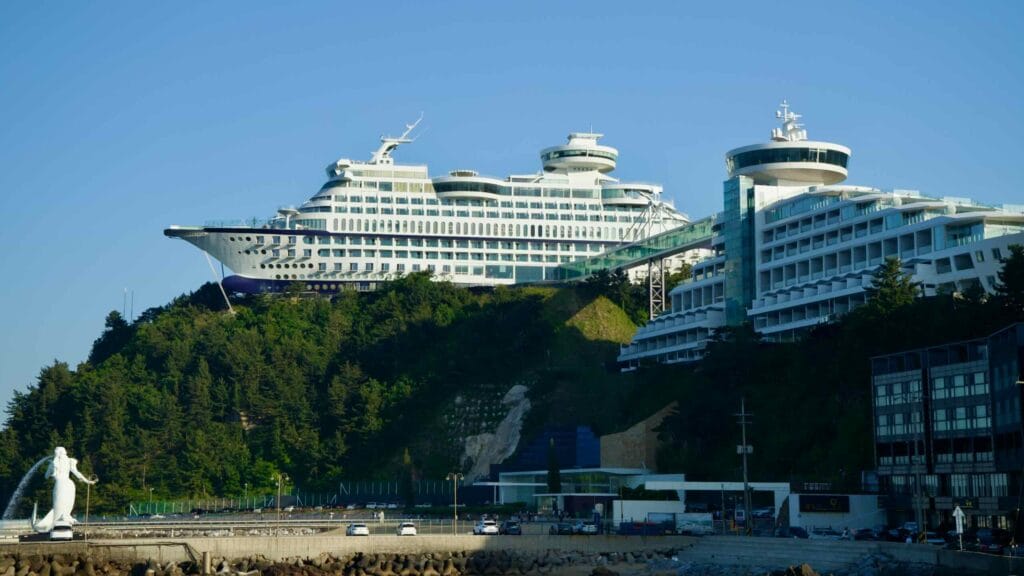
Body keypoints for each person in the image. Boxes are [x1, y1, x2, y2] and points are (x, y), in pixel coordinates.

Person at [33, 447, 97, 532]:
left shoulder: (55, 463)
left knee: (58, 506)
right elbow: (77, 474)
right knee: (66, 504)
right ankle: (65, 518)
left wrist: (51, 467)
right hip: (70, 484)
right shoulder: (69, 461)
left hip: (60, 484)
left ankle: (58, 523)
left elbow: (46, 476)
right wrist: (88, 481)